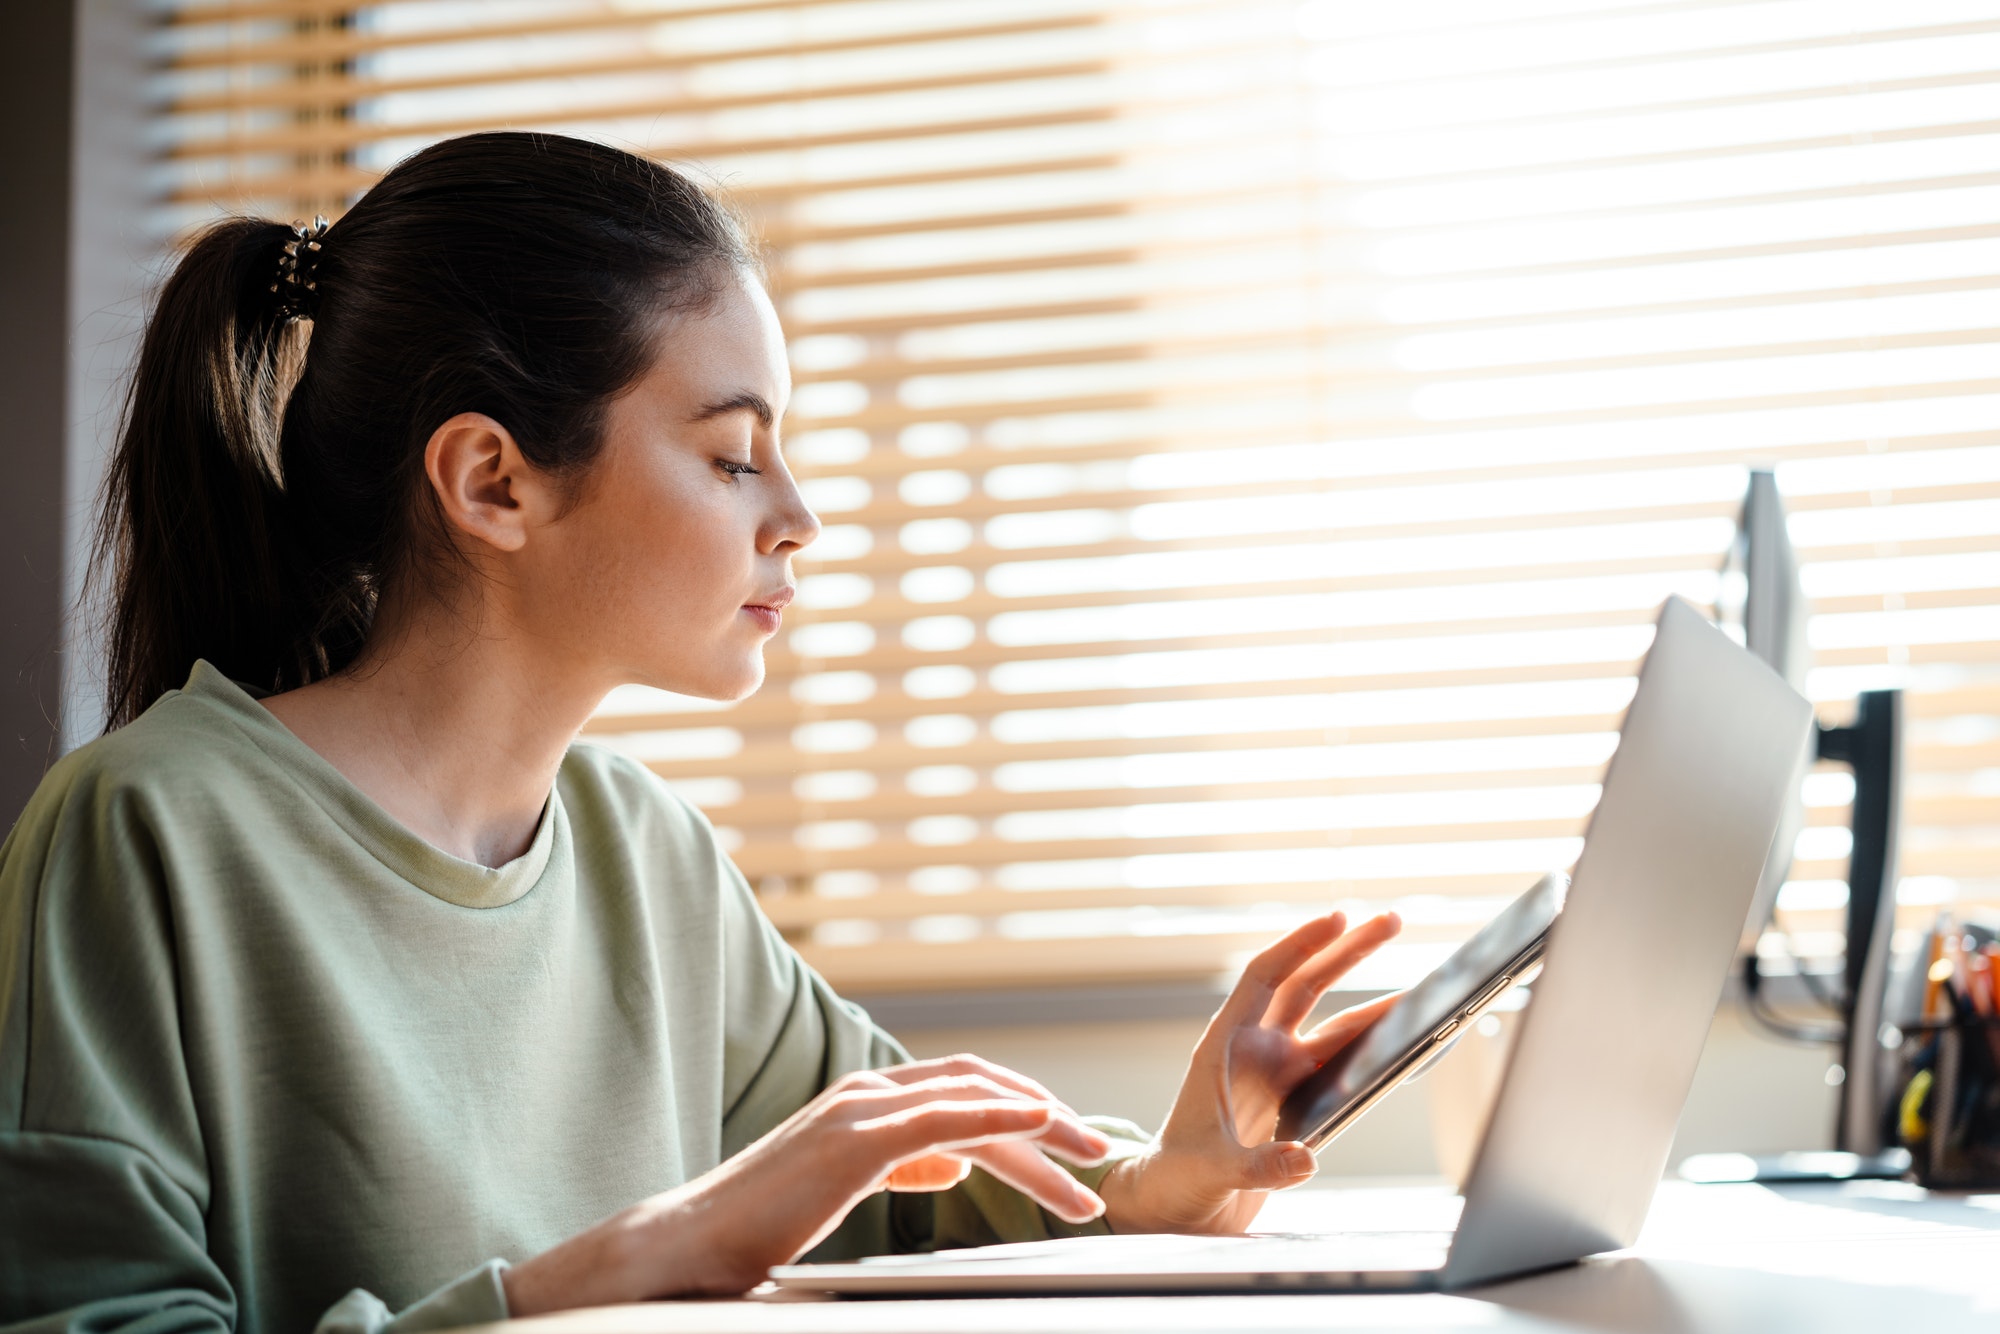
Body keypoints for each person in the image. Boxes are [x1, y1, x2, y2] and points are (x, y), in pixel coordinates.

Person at [0, 132, 1401, 1334]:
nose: (798, 515)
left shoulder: (642, 847)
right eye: (733, 454)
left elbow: (895, 1187)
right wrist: (601, 1275)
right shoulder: (145, 829)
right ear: (492, 480)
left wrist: (1168, 1176)